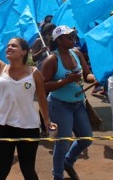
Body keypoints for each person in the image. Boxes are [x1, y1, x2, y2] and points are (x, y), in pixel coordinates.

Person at [0, 24, 54, 180]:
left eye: (13, 46)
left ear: (24, 51)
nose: (9, 48)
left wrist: (47, 121)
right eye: (8, 45)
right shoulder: (0, 67)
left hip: (29, 127)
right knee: (1, 171)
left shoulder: (34, 73)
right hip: (3, 127)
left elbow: (42, 98)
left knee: (28, 170)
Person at [41, 25, 96, 180]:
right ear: (59, 40)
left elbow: (87, 75)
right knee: (63, 143)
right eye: (68, 36)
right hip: (59, 105)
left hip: (78, 104)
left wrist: (97, 78)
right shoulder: (52, 60)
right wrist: (66, 80)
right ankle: (57, 176)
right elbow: (43, 86)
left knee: (86, 139)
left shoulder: (77, 53)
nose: (73, 38)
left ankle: (68, 162)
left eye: (73, 35)